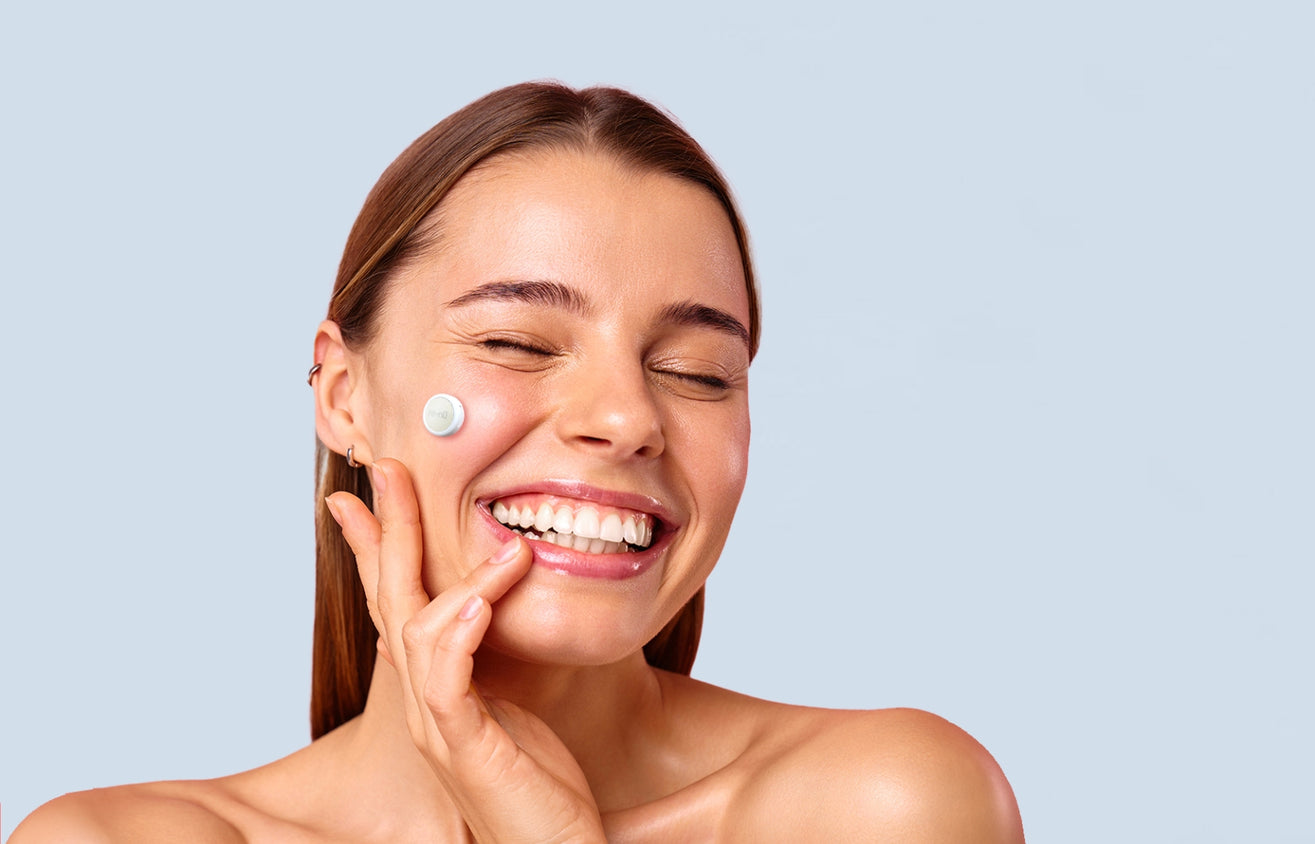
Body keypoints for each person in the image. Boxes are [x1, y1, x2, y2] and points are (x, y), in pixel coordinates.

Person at [14, 82, 1023, 843]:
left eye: (697, 369)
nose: (628, 417)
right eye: (518, 344)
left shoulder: (881, 805)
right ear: (342, 396)